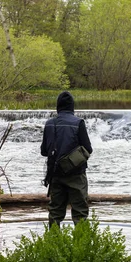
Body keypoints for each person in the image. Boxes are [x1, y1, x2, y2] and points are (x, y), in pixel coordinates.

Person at [41, 91, 93, 227]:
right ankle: (81, 244)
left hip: (55, 175)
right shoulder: (79, 123)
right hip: (76, 175)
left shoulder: (49, 124)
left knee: (55, 213)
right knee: (80, 213)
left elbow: (44, 151)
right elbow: (88, 149)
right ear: (72, 107)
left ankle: (53, 243)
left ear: (58, 106)